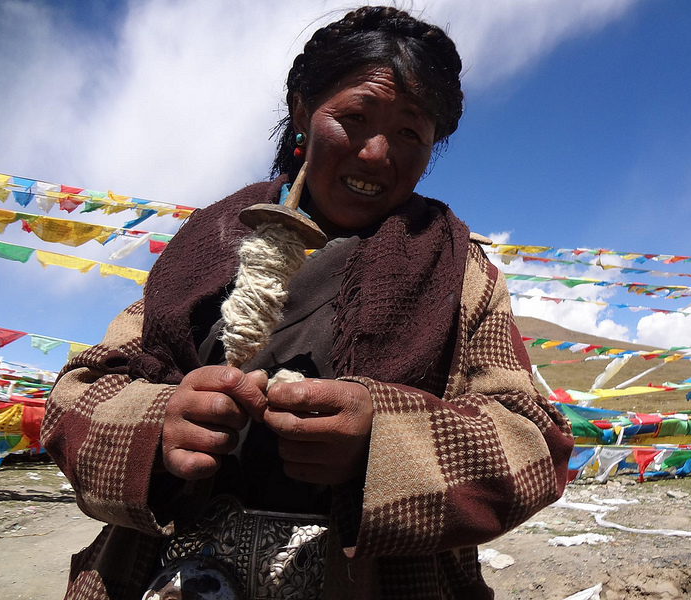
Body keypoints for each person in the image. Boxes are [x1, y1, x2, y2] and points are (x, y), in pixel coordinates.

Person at [41, 6, 573, 600]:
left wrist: (382, 442)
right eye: (354, 118)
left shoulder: (460, 271)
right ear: (302, 110)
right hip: (158, 574)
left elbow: (536, 445)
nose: (377, 154)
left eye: (409, 133)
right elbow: (75, 397)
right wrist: (159, 425)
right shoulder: (208, 244)